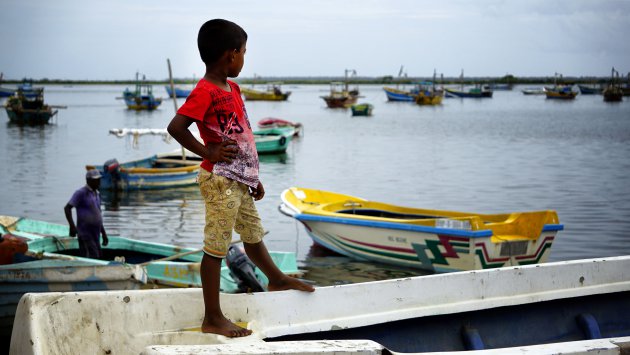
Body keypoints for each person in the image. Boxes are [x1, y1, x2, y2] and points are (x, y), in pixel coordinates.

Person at [167, 19, 315, 338]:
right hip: (219, 179)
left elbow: (242, 133)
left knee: (252, 234)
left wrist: (252, 176)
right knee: (216, 247)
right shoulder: (204, 90)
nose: (244, 58)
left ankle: (276, 279)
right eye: (244, 52)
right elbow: (176, 128)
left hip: (238, 178)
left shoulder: (232, 88)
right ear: (230, 55)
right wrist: (209, 152)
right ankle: (213, 317)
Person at [64, 169, 108, 258]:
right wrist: (72, 226)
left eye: (99, 179)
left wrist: (104, 233)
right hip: (85, 234)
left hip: (96, 234)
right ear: (89, 180)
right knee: (92, 257)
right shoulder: (81, 193)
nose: (99, 182)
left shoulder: (97, 194)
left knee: (99, 256)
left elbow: (98, 215)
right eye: (96, 180)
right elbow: (67, 208)